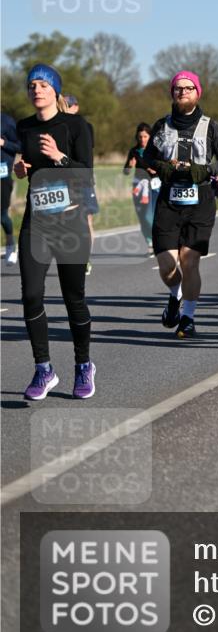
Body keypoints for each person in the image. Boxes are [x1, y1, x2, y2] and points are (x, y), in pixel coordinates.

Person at [14, 64, 96, 400]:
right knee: (32, 294)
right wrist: (21, 169)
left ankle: (83, 365)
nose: (36, 90)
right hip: (37, 222)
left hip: (71, 224)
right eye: (31, 85)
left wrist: (61, 158)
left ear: (55, 91)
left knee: (72, 297)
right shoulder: (25, 127)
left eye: (43, 85)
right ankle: (43, 369)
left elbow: (87, 176)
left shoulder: (76, 126)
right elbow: (29, 167)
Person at [144, 71, 218, 339]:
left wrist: (206, 170)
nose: (183, 92)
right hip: (169, 200)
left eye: (188, 88)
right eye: (178, 88)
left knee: (189, 261)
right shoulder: (161, 126)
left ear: (197, 92)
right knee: (167, 266)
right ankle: (175, 294)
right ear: (172, 93)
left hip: (200, 200)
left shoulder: (211, 126)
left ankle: (188, 318)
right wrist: (163, 167)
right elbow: (148, 158)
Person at [63, 94, 98, 275]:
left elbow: (85, 156)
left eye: (68, 105)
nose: (65, 108)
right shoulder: (57, 127)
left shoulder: (85, 127)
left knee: (86, 220)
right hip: (63, 182)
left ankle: (86, 259)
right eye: (63, 105)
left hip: (83, 181)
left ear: (76, 107)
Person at [123, 122, 160, 253]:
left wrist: (155, 170)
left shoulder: (155, 149)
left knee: (151, 215)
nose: (142, 139)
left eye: (145, 136)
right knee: (142, 216)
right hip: (138, 186)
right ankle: (150, 242)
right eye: (140, 137)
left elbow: (163, 166)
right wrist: (130, 165)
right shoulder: (134, 151)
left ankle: (158, 240)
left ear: (150, 136)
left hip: (154, 186)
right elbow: (126, 171)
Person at [1, 111, 21, 266]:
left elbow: (20, 146)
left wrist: (3, 143)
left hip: (2, 176)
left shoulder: (6, 121)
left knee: (1, 215)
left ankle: (10, 244)